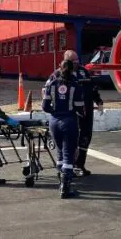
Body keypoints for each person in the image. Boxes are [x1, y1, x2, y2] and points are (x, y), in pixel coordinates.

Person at [45, 50, 103, 176]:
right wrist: (55, 111)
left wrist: (99, 101)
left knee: (85, 137)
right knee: (70, 141)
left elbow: (92, 87)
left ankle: (80, 165)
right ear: (67, 61)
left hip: (86, 111)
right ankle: (68, 170)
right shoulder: (56, 75)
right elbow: (46, 93)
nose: (77, 63)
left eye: (77, 60)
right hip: (70, 115)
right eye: (74, 61)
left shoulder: (84, 72)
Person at [42, 60, 85, 198]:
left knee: (60, 152)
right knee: (68, 154)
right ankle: (65, 188)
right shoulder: (76, 85)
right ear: (72, 70)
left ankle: (60, 180)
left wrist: (55, 111)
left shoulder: (52, 84)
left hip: (54, 122)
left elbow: (44, 106)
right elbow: (80, 107)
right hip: (69, 121)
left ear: (60, 69)